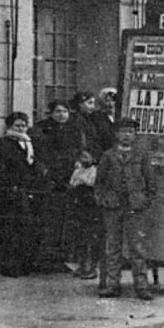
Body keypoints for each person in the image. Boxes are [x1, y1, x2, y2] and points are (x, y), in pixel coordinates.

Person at [95, 119, 157, 300]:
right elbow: (99, 182)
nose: (127, 135)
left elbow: (150, 181)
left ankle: (142, 286)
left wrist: (145, 200)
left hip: (135, 206)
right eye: (123, 132)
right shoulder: (108, 156)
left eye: (130, 132)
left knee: (137, 247)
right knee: (113, 246)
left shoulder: (141, 155)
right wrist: (102, 199)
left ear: (135, 135)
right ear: (116, 134)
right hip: (113, 206)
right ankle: (112, 284)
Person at [0, 111, 41, 277]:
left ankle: (25, 264)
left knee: (26, 229)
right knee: (11, 229)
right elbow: (1, 167)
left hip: (27, 189)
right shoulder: (4, 143)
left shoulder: (28, 142)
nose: (21, 128)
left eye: (24, 125)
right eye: (17, 125)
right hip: (11, 190)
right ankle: (10, 266)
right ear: (9, 126)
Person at [66, 90, 111, 279]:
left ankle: (89, 265)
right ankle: (87, 265)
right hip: (86, 174)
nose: (92, 107)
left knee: (88, 224)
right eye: (89, 103)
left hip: (88, 175)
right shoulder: (81, 123)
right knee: (87, 224)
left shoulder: (92, 120)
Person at [32, 100, 77, 263]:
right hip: (50, 175)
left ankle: (65, 252)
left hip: (69, 175)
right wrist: (46, 171)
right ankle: (47, 253)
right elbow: (39, 153)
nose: (62, 115)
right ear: (51, 113)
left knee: (68, 216)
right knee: (50, 215)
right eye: (58, 111)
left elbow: (80, 150)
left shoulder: (74, 129)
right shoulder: (41, 128)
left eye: (65, 111)